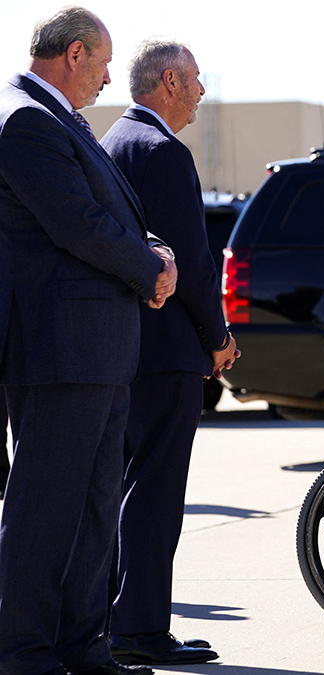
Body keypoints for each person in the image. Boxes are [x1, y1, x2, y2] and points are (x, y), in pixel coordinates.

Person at [0, 6, 178, 675]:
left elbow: (118, 215)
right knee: (47, 507)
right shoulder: (24, 121)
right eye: (102, 65)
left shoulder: (63, 124)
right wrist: (149, 268)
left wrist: (154, 249)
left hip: (99, 347)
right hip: (59, 348)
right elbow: (78, 225)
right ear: (74, 54)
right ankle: (23, 650)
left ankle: (82, 643)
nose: (108, 80)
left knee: (94, 507)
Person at [101, 39, 239, 665]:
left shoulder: (108, 144)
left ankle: (107, 621)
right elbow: (193, 259)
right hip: (166, 352)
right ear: (169, 81)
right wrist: (218, 337)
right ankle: (141, 628)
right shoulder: (162, 150)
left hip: (116, 350)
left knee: (118, 490)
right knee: (155, 495)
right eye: (197, 80)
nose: (203, 92)